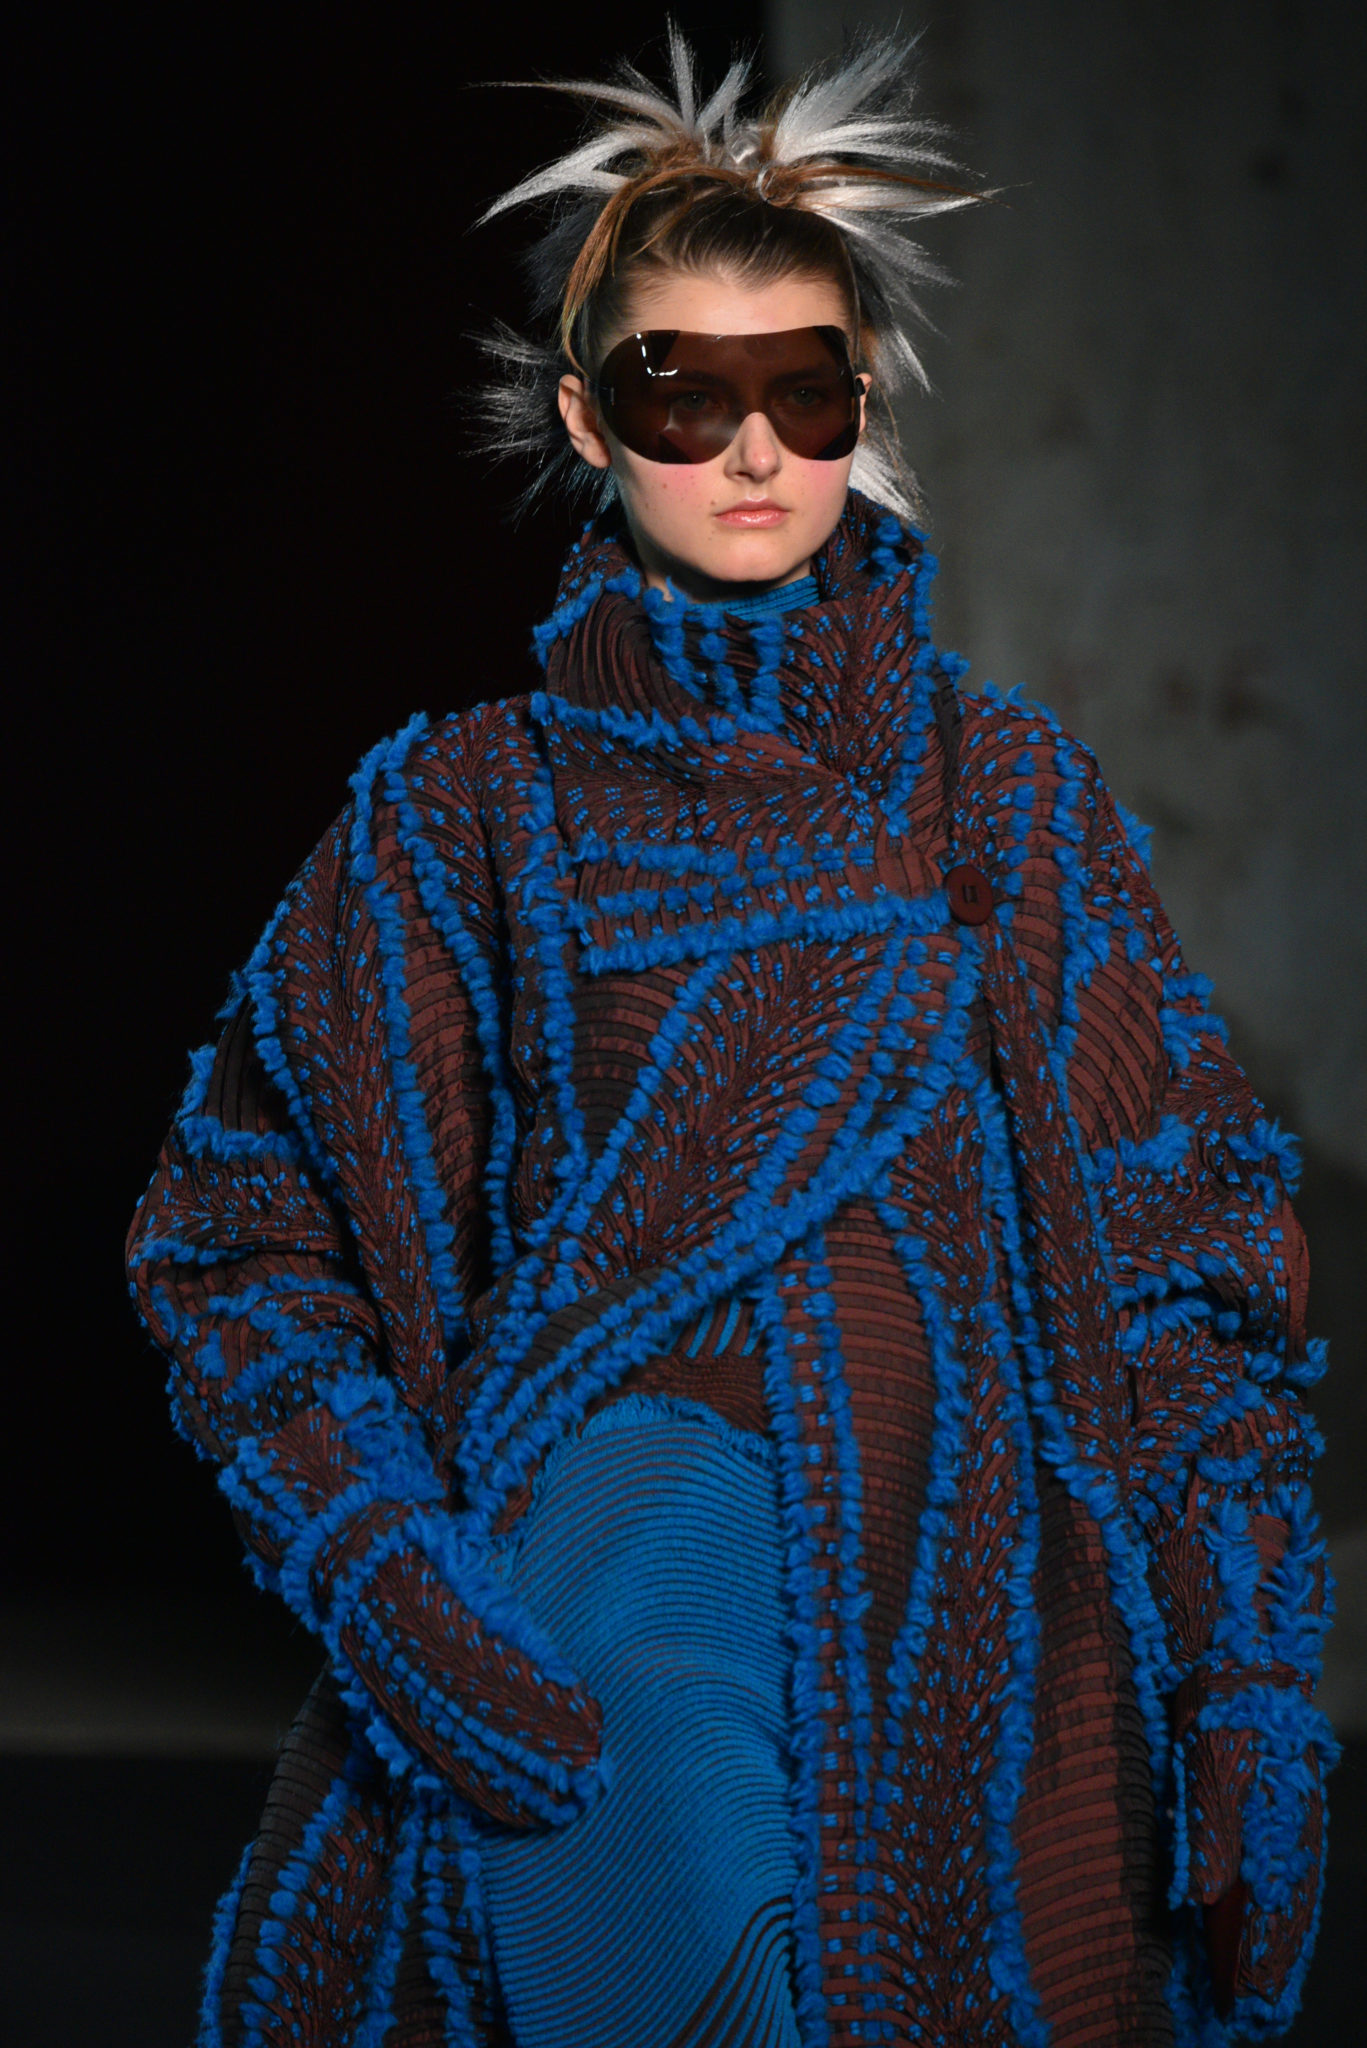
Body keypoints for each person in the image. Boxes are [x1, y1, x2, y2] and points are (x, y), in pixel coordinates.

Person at [127, 30, 1335, 2048]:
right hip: (603, 1652)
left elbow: (1189, 1272)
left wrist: (1253, 1688)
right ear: (585, 419)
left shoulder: (1007, 802)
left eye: (806, 388)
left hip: (990, 1694)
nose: (753, 447)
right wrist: (398, 1591)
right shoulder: (462, 817)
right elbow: (235, 1239)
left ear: (866, 411)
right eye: (683, 390)